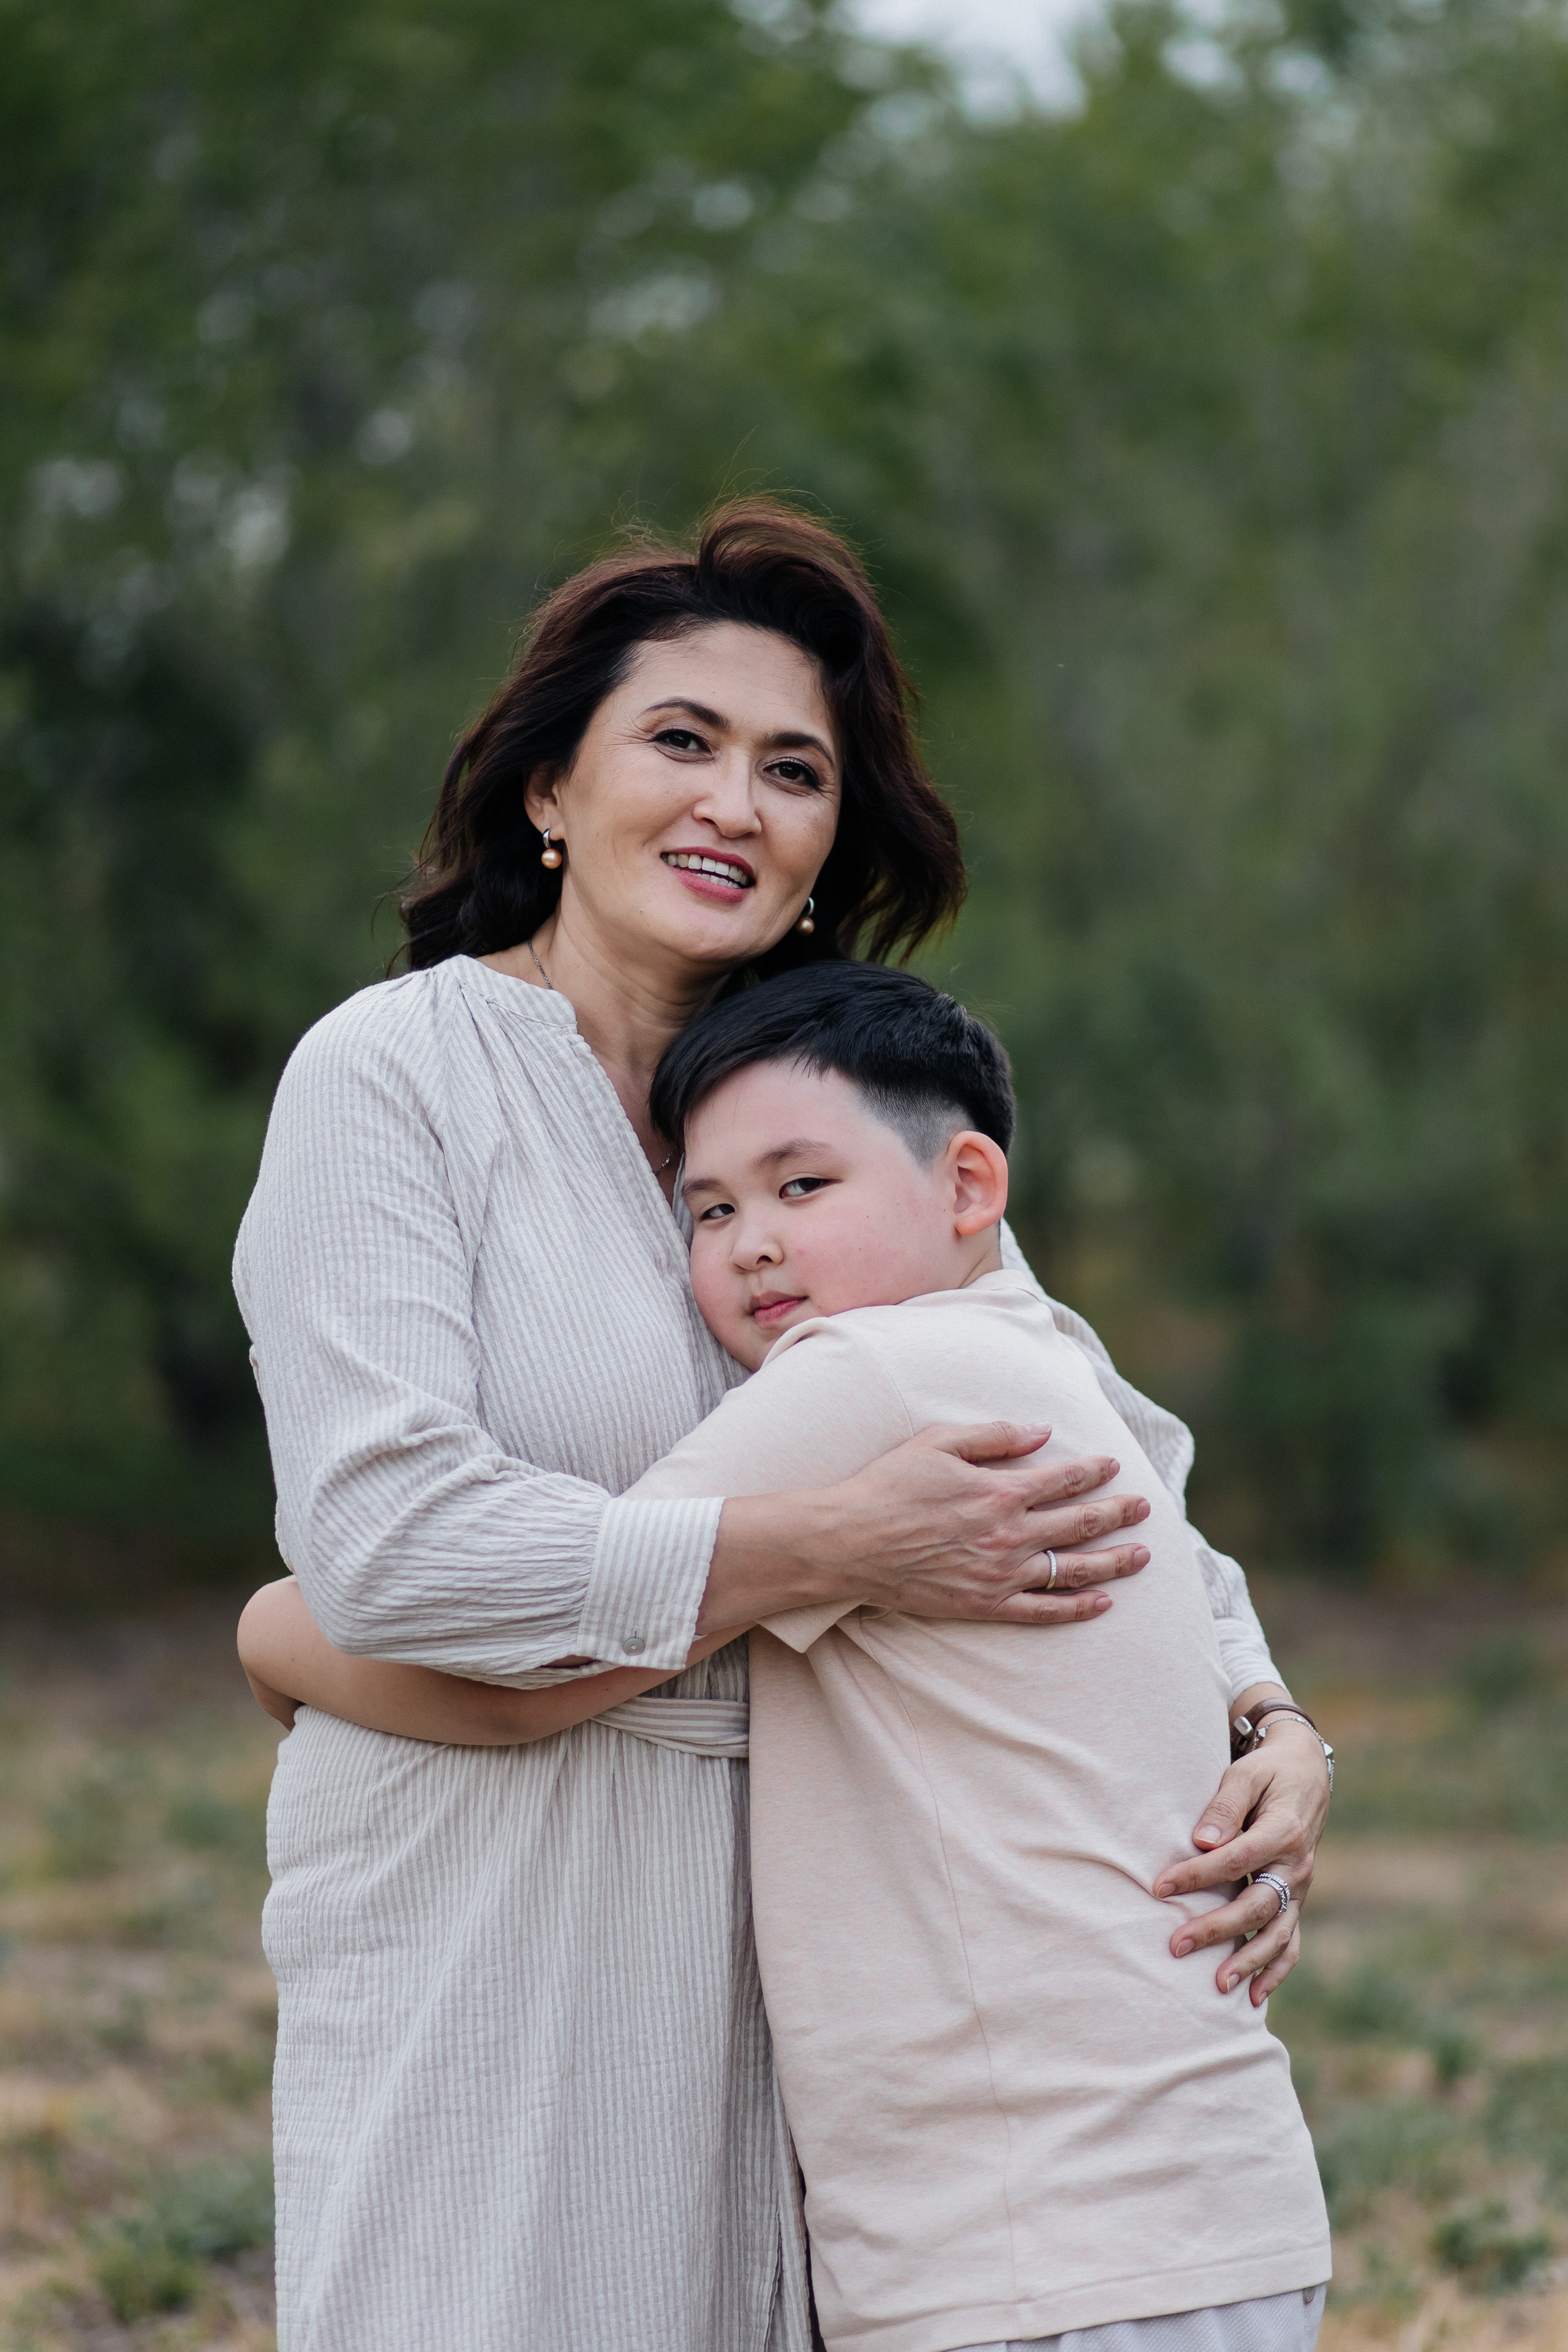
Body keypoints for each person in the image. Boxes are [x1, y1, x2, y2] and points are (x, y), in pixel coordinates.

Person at [233, 500, 1330, 2352]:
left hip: (842, 1936)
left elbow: (1085, 1441)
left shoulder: (821, 1106)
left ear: (830, 842)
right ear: (547, 794)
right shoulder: (394, 1074)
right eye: (683, 742)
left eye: (794, 769)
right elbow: (392, 1544)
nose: (737, 801)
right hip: (506, 1894)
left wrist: (1272, 1720)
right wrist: (823, 1549)